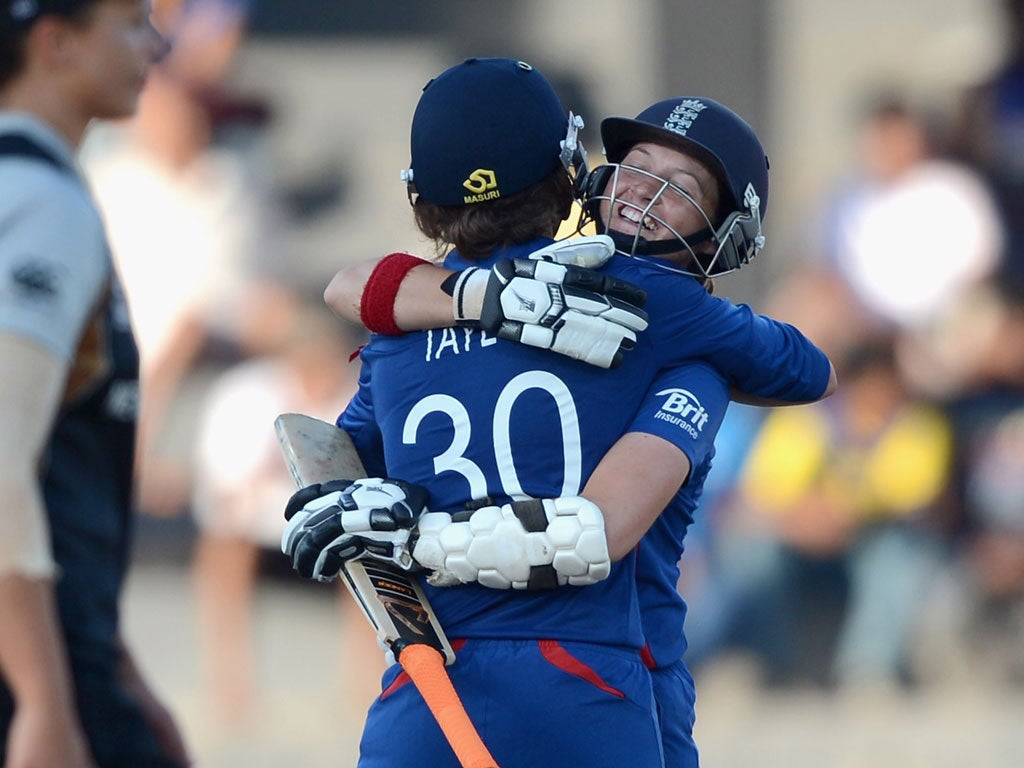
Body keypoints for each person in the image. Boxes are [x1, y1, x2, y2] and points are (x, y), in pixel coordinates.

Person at [283, 58, 835, 768]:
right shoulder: (662, 317)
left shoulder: (395, 328)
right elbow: (807, 369)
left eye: (685, 186)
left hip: (426, 688)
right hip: (599, 677)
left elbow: (337, 455)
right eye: (638, 165)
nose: (646, 190)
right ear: (571, 169)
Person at [0, 2, 190, 767]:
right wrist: (48, 703)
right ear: (54, 43)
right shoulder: (43, 203)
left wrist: (121, 672)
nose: (158, 41)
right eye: (130, 21)